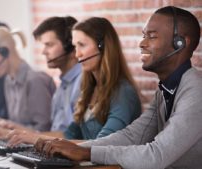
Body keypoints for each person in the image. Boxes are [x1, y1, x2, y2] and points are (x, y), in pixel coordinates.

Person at [35, 6, 202, 169]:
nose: (142, 43)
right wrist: (78, 149)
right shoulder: (165, 90)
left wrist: (87, 153)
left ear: (180, 43)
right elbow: (132, 136)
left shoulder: (195, 92)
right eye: (144, 35)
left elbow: (156, 155)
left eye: (152, 36)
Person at [1, 16, 142, 146]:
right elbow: (68, 135)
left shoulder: (123, 93)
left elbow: (101, 145)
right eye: (75, 47)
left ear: (102, 47)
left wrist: (36, 138)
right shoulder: (90, 89)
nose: (77, 54)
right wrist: (28, 136)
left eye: (82, 45)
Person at [0, 16, 82, 138]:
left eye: (49, 45)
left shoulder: (83, 82)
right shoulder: (63, 84)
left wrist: (14, 135)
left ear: (71, 46)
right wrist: (13, 130)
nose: (43, 51)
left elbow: (75, 137)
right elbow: (54, 133)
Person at [0, 27, 56, 131]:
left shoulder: (35, 80)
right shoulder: (8, 80)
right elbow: (17, 125)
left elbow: (44, 131)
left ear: (5, 51)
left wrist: (7, 127)